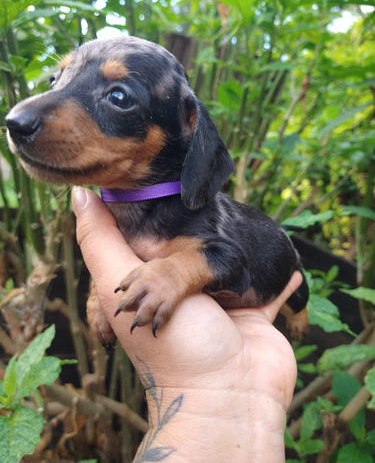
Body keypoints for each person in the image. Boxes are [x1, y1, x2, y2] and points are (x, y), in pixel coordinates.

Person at [72, 186, 301, 463]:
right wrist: (101, 294)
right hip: (221, 356)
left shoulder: (189, 215)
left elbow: (227, 261)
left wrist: (172, 273)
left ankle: (299, 311)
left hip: (273, 271)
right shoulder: (127, 216)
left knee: (297, 292)